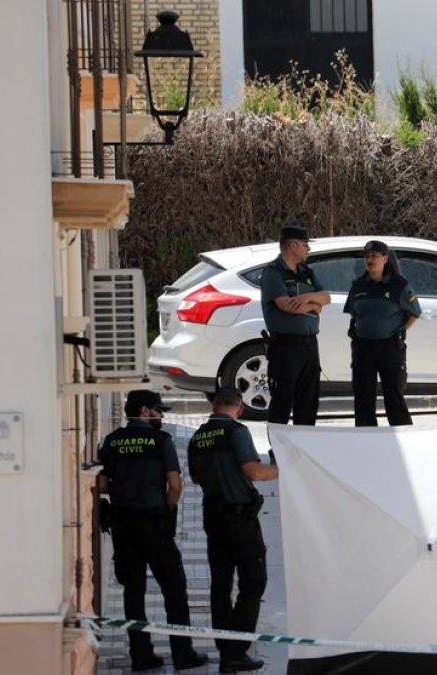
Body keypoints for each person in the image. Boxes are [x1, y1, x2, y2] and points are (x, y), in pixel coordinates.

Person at [97, 390, 207, 672]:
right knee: (174, 588)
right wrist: (168, 510)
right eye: (159, 410)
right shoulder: (160, 441)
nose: (162, 416)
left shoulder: (112, 441)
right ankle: (183, 654)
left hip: (123, 524)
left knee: (133, 592)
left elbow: (102, 484)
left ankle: (141, 656)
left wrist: (125, 486)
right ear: (145, 411)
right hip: (154, 523)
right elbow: (176, 484)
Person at [187, 389, 279, 673]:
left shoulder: (197, 437)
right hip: (239, 519)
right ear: (239, 408)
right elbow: (254, 472)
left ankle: (225, 645)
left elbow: (197, 478)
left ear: (214, 405)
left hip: (212, 515)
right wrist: (281, 467)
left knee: (221, 583)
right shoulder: (237, 432)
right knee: (253, 582)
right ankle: (235, 651)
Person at [344, 240, 422, 426]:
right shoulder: (358, 285)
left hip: (389, 346)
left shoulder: (399, 285)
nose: (370, 259)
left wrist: (400, 331)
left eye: (375, 256)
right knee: (363, 396)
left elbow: (414, 312)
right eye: (367, 256)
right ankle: (366, 438)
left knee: (393, 396)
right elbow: (355, 313)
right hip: (363, 346)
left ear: (385, 258)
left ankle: (402, 437)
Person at [259, 224, 331, 425]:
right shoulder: (273, 273)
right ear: (293, 245)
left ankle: (303, 449)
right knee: (282, 400)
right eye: (305, 245)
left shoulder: (306, 272)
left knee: (308, 400)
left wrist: (308, 297)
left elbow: (326, 297)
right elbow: (287, 306)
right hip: (285, 346)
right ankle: (279, 451)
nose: (308, 249)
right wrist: (314, 306)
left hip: (309, 345)